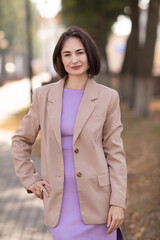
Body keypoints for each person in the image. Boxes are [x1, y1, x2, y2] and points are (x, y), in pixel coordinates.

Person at [12, 26, 127, 240]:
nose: (74, 59)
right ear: (60, 60)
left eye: (79, 52)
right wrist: (29, 178)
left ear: (89, 55)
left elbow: (115, 154)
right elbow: (20, 140)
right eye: (67, 54)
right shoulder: (43, 96)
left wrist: (118, 202)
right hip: (60, 204)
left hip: (99, 203)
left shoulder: (108, 98)